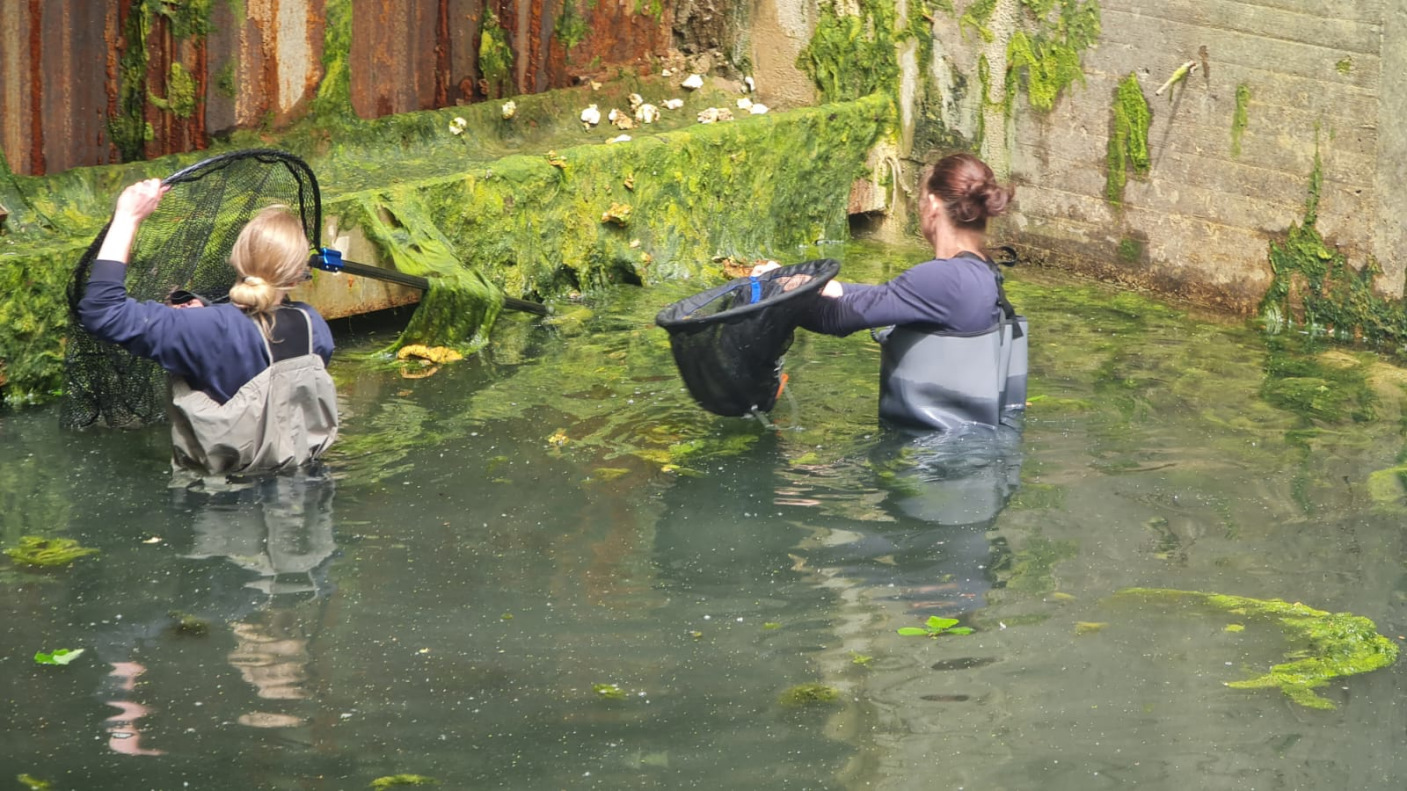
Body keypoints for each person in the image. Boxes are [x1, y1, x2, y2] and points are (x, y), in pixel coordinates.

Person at [78, 178, 338, 478]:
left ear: (236, 259)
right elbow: (257, 342)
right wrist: (205, 318)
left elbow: (102, 310)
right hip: (303, 492)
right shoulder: (314, 326)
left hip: (221, 506)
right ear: (295, 278)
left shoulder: (204, 329)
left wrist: (127, 217)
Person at [753, 153, 1028, 431]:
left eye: (918, 201)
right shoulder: (983, 272)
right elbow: (893, 297)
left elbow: (834, 318)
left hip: (928, 458)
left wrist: (774, 289)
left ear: (932, 205)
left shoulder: (939, 278)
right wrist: (813, 284)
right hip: (971, 446)